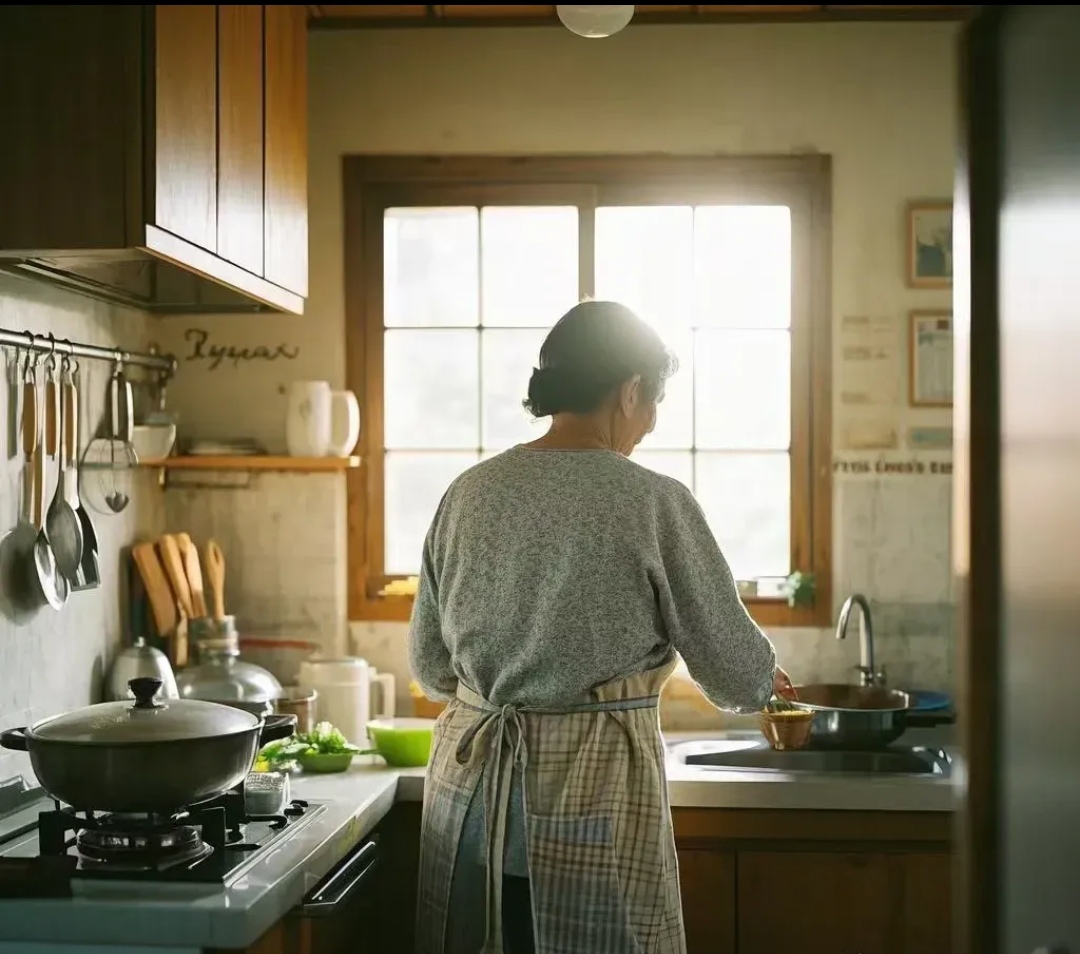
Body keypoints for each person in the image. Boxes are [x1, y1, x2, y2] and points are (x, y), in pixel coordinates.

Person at [409, 300, 796, 954]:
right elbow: (733, 670)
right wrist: (767, 686)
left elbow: (430, 665)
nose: (648, 425)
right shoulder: (652, 501)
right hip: (590, 803)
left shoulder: (467, 492)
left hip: (470, 802)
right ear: (630, 391)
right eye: (653, 403)